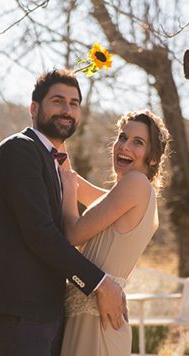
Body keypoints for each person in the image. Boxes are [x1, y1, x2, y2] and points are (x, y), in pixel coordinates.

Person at [0, 69, 126, 356]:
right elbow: (40, 234)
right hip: (17, 309)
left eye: (74, 103)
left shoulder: (53, 162)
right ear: (33, 108)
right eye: (58, 101)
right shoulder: (19, 150)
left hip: (44, 311)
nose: (67, 111)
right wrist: (100, 284)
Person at [59, 110, 171, 356]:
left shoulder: (136, 185)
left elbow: (73, 235)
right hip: (91, 320)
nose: (124, 146)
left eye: (137, 142)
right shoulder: (129, 194)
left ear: (152, 158)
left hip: (97, 324)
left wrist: (67, 192)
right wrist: (58, 143)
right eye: (122, 137)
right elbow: (77, 184)